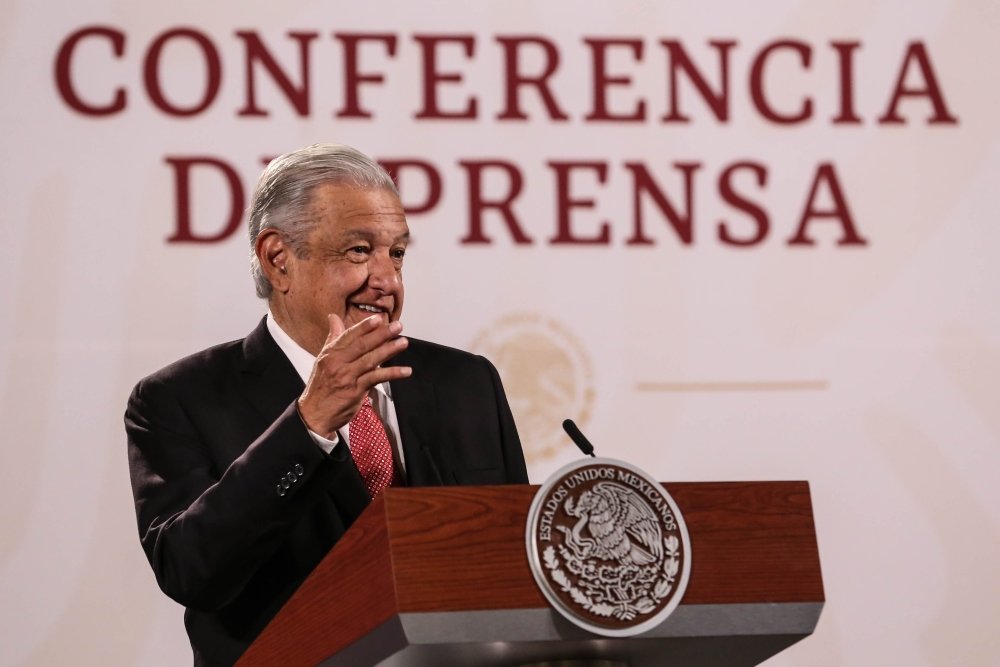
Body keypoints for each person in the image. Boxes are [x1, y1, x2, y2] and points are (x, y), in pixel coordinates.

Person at [125, 143, 528, 666]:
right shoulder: (178, 399)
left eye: (397, 253)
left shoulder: (466, 383)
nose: (387, 280)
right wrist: (309, 423)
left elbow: (514, 564)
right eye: (359, 251)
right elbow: (192, 571)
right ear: (278, 259)